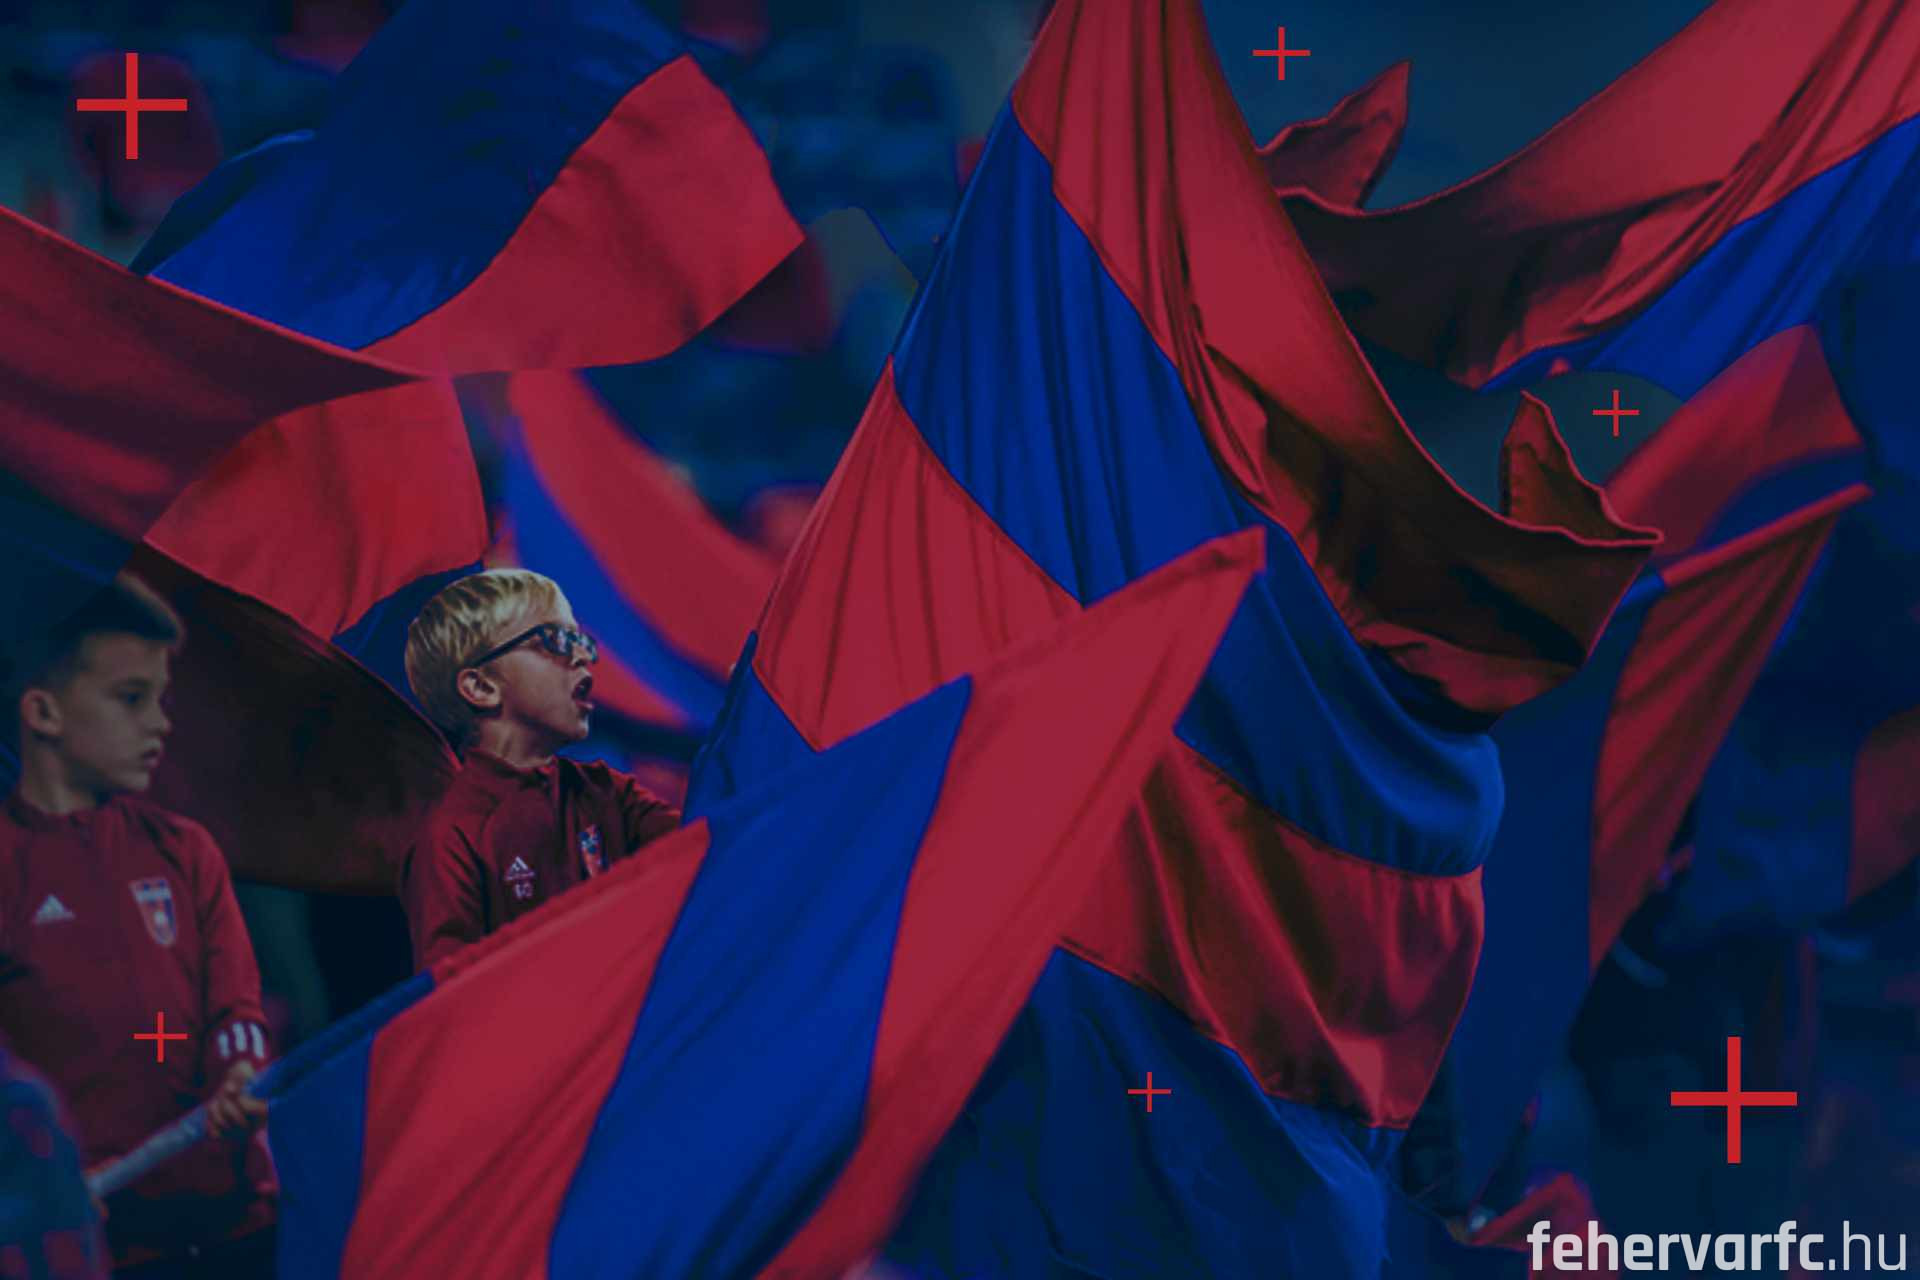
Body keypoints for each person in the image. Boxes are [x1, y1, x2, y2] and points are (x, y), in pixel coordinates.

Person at [0, 574, 275, 1277]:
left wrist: (239, 1072)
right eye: (131, 698)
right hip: (96, 1243)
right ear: (43, 712)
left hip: (232, 1223)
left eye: (161, 697)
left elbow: (237, 1011)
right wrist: (41, 1186)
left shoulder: (185, 850)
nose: (160, 723)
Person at [398, 569, 680, 969]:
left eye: (581, 641)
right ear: (481, 688)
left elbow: (713, 841)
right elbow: (454, 993)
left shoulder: (606, 793)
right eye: (555, 640)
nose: (583, 657)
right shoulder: (453, 839)